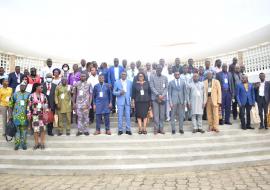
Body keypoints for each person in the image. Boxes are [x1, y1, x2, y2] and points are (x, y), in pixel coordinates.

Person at [9, 81, 30, 150]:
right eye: (21, 85)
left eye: (24, 85)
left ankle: (23, 144)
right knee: (17, 131)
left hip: (25, 116)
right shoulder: (15, 94)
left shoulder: (28, 94)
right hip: (16, 116)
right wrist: (10, 115)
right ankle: (17, 144)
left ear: (26, 86)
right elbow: (10, 105)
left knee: (24, 131)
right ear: (19, 86)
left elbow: (30, 106)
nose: (22, 87)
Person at [27, 83, 49, 150]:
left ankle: (42, 143)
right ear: (36, 87)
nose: (42, 88)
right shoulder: (31, 96)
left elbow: (46, 104)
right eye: (41, 87)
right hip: (35, 115)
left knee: (43, 130)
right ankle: (36, 143)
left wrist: (46, 112)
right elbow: (29, 106)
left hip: (42, 115)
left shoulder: (43, 96)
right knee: (36, 130)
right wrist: (28, 114)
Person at [150, 65, 168, 134]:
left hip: (163, 99)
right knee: (156, 114)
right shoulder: (152, 77)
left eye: (160, 69)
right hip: (155, 98)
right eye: (158, 69)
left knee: (162, 115)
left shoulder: (165, 78)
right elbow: (152, 87)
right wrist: (158, 95)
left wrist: (162, 95)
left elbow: (166, 88)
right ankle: (156, 129)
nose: (159, 70)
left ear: (162, 69)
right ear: (156, 69)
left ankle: (161, 129)